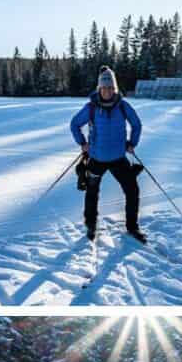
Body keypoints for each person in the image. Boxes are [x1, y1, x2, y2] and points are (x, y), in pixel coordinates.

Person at [70, 66, 146, 243]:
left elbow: (137, 125)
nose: (107, 91)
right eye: (104, 88)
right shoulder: (90, 108)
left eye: (111, 88)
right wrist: (82, 143)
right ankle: (91, 226)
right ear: (99, 88)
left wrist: (132, 143)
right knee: (91, 192)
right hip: (96, 158)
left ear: (115, 89)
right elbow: (74, 124)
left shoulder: (123, 106)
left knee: (132, 190)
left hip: (119, 158)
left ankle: (132, 227)